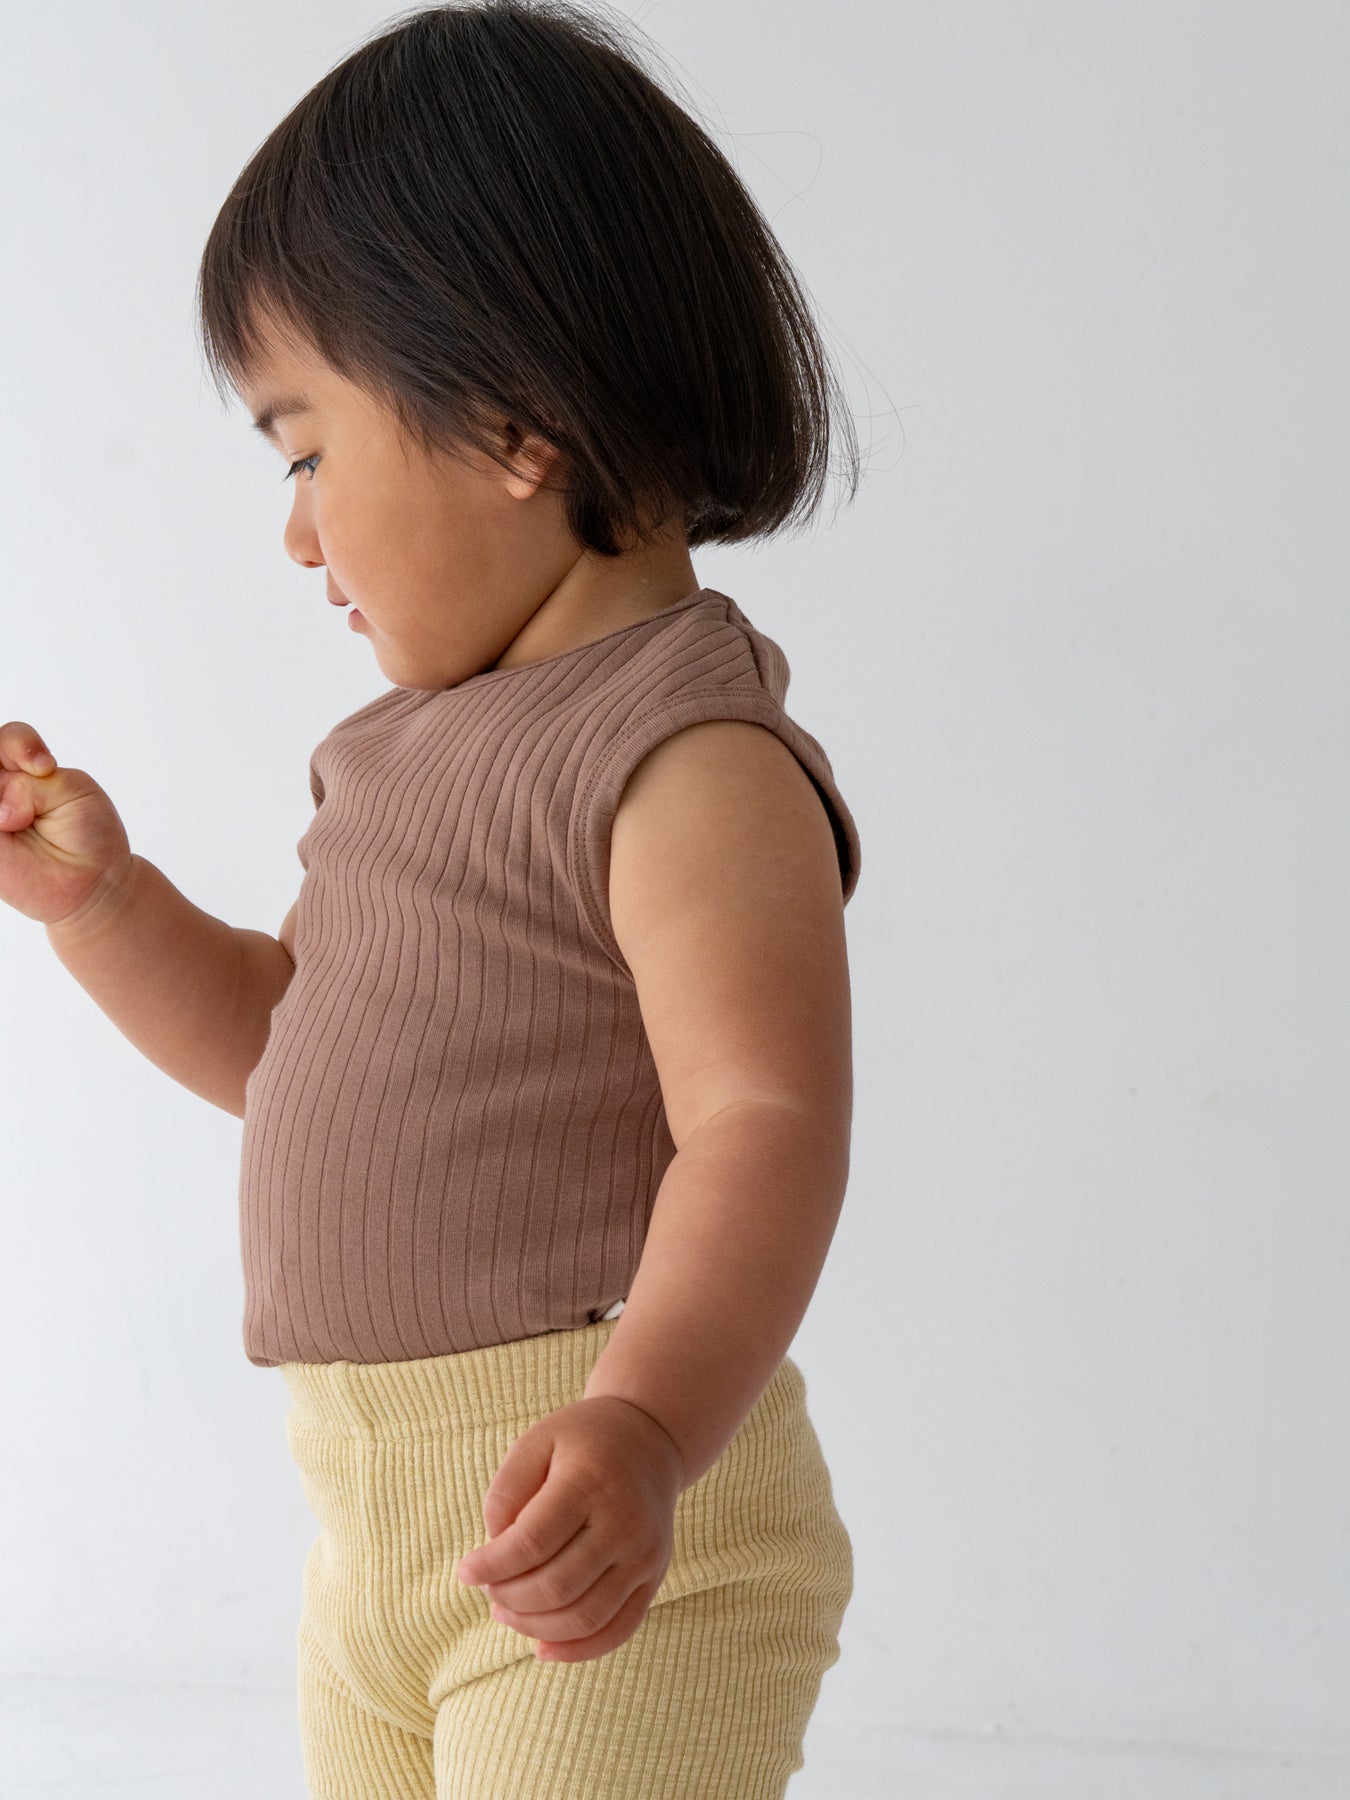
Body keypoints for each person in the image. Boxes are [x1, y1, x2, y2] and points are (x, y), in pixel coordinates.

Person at [0, 3, 864, 1794]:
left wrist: (645, 1426)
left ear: (509, 421)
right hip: (372, 1540)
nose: (296, 530)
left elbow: (763, 1125)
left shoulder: (683, 754)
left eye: (304, 449)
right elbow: (287, 1048)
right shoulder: (400, 749)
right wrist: (105, 907)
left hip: (618, 1538)